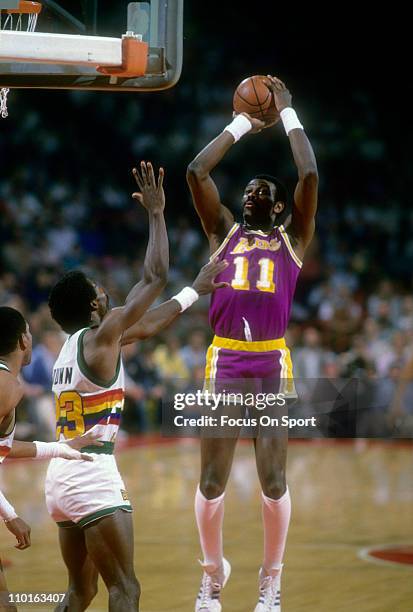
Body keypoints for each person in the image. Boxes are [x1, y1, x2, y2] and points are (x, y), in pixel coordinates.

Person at [46, 161, 229, 612]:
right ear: (94, 305)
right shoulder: (103, 335)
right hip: (92, 472)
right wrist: (156, 213)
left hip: (61, 476)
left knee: (80, 591)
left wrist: (195, 292)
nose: (109, 295)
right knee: (125, 590)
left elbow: (147, 323)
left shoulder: (76, 347)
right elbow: (153, 279)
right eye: (102, 292)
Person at [186, 75, 318, 611]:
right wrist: (243, 121)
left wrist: (285, 110)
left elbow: (307, 171)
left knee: (273, 480)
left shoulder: (293, 239)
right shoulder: (222, 230)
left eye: (262, 192)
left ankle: (271, 580)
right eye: (247, 191)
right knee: (213, 482)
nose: (250, 195)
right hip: (225, 359)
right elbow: (197, 171)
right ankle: (213, 575)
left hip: (270, 362)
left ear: (281, 209)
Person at [0, 306, 98, 612]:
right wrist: (10, 514)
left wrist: (59, 447)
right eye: (28, 331)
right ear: (22, 341)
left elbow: (3, 447)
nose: (31, 336)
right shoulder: (7, 388)